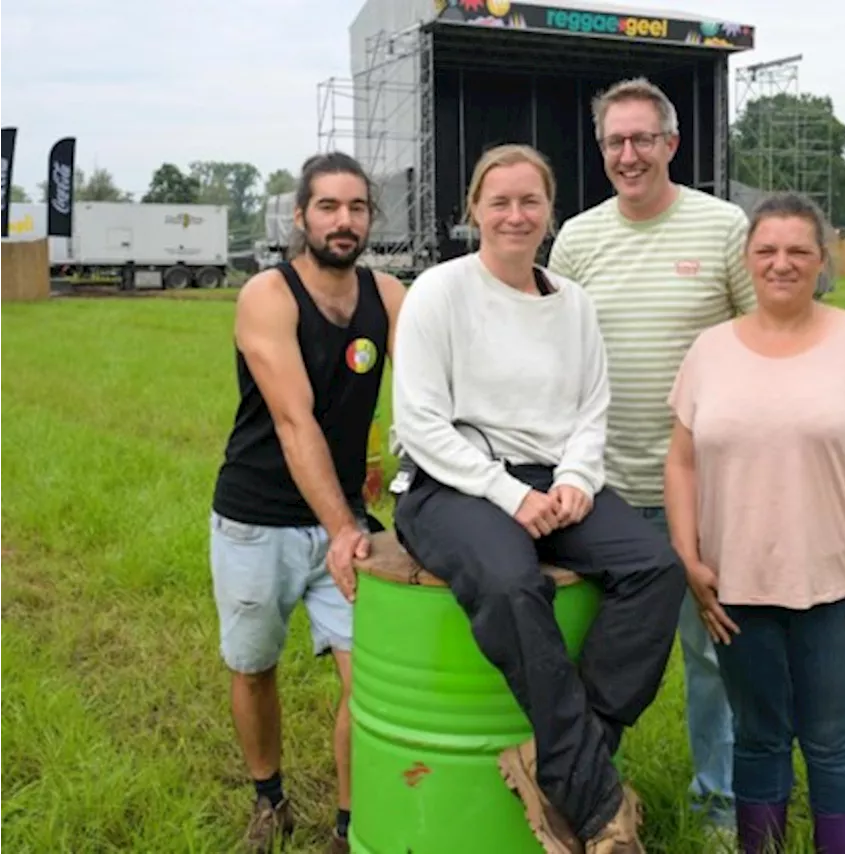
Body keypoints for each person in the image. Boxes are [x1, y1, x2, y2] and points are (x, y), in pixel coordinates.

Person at [391, 143, 686, 854]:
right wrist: (505, 494)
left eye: (530, 201)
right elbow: (421, 422)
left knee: (657, 569)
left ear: (549, 211)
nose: (515, 215)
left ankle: (560, 754)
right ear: (474, 211)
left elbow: (593, 406)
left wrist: (577, 480)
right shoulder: (441, 290)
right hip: (453, 483)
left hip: (554, 481)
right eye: (500, 202)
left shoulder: (573, 304)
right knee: (511, 582)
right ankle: (596, 805)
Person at [663, 192, 845, 854]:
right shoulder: (710, 349)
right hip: (736, 586)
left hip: (840, 584)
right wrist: (688, 558)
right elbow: (682, 462)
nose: (782, 263)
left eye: (798, 251)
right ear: (747, 260)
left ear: (821, 261)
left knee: (834, 740)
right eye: (767, 250)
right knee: (759, 736)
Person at [546, 76, 753, 842]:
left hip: (704, 497)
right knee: (599, 660)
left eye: (642, 139)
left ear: (672, 143)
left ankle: (719, 811)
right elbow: (554, 357)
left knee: (713, 661)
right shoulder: (577, 239)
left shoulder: (723, 228)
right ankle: (592, 804)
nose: (628, 154)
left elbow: (758, 344)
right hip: (600, 495)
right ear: (601, 151)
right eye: (614, 142)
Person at [208, 151, 406, 854]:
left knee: (372, 678)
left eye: (356, 208)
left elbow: (428, 391)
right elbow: (295, 424)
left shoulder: (388, 297)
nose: (343, 221)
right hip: (257, 519)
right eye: (328, 207)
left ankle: (350, 828)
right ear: (300, 216)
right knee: (254, 667)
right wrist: (344, 527)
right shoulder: (268, 294)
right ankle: (269, 800)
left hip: (344, 526)